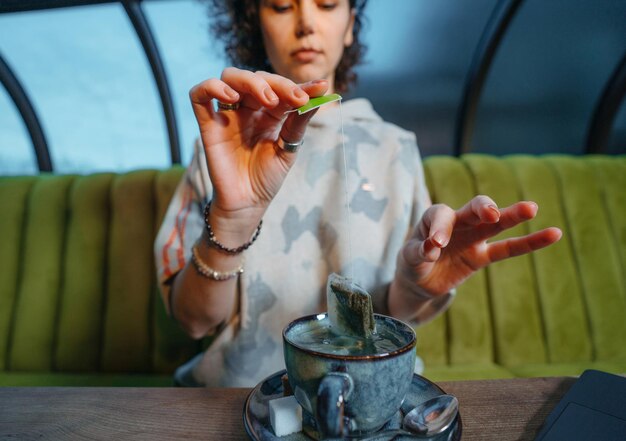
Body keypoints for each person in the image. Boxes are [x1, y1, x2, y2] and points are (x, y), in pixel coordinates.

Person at [154, 0, 562, 387]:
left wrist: (417, 284)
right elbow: (192, 321)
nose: (306, 23)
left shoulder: (394, 147)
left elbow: (397, 309)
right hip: (238, 395)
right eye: (281, 6)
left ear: (350, 25)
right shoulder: (221, 149)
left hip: (373, 393)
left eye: (328, 4)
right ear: (255, 26)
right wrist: (230, 220)